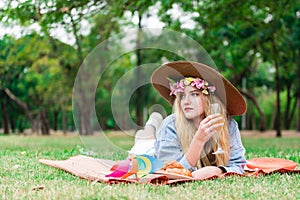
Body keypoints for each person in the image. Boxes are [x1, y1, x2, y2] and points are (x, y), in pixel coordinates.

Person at [130, 60, 246, 180]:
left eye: (194, 94)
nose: (186, 101)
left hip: (162, 143)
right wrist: (198, 140)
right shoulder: (171, 125)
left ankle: (152, 123)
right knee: (142, 141)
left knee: (147, 137)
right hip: (151, 153)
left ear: (210, 99)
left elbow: (239, 165)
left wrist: (218, 170)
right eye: (182, 95)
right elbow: (170, 172)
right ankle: (153, 122)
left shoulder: (228, 125)